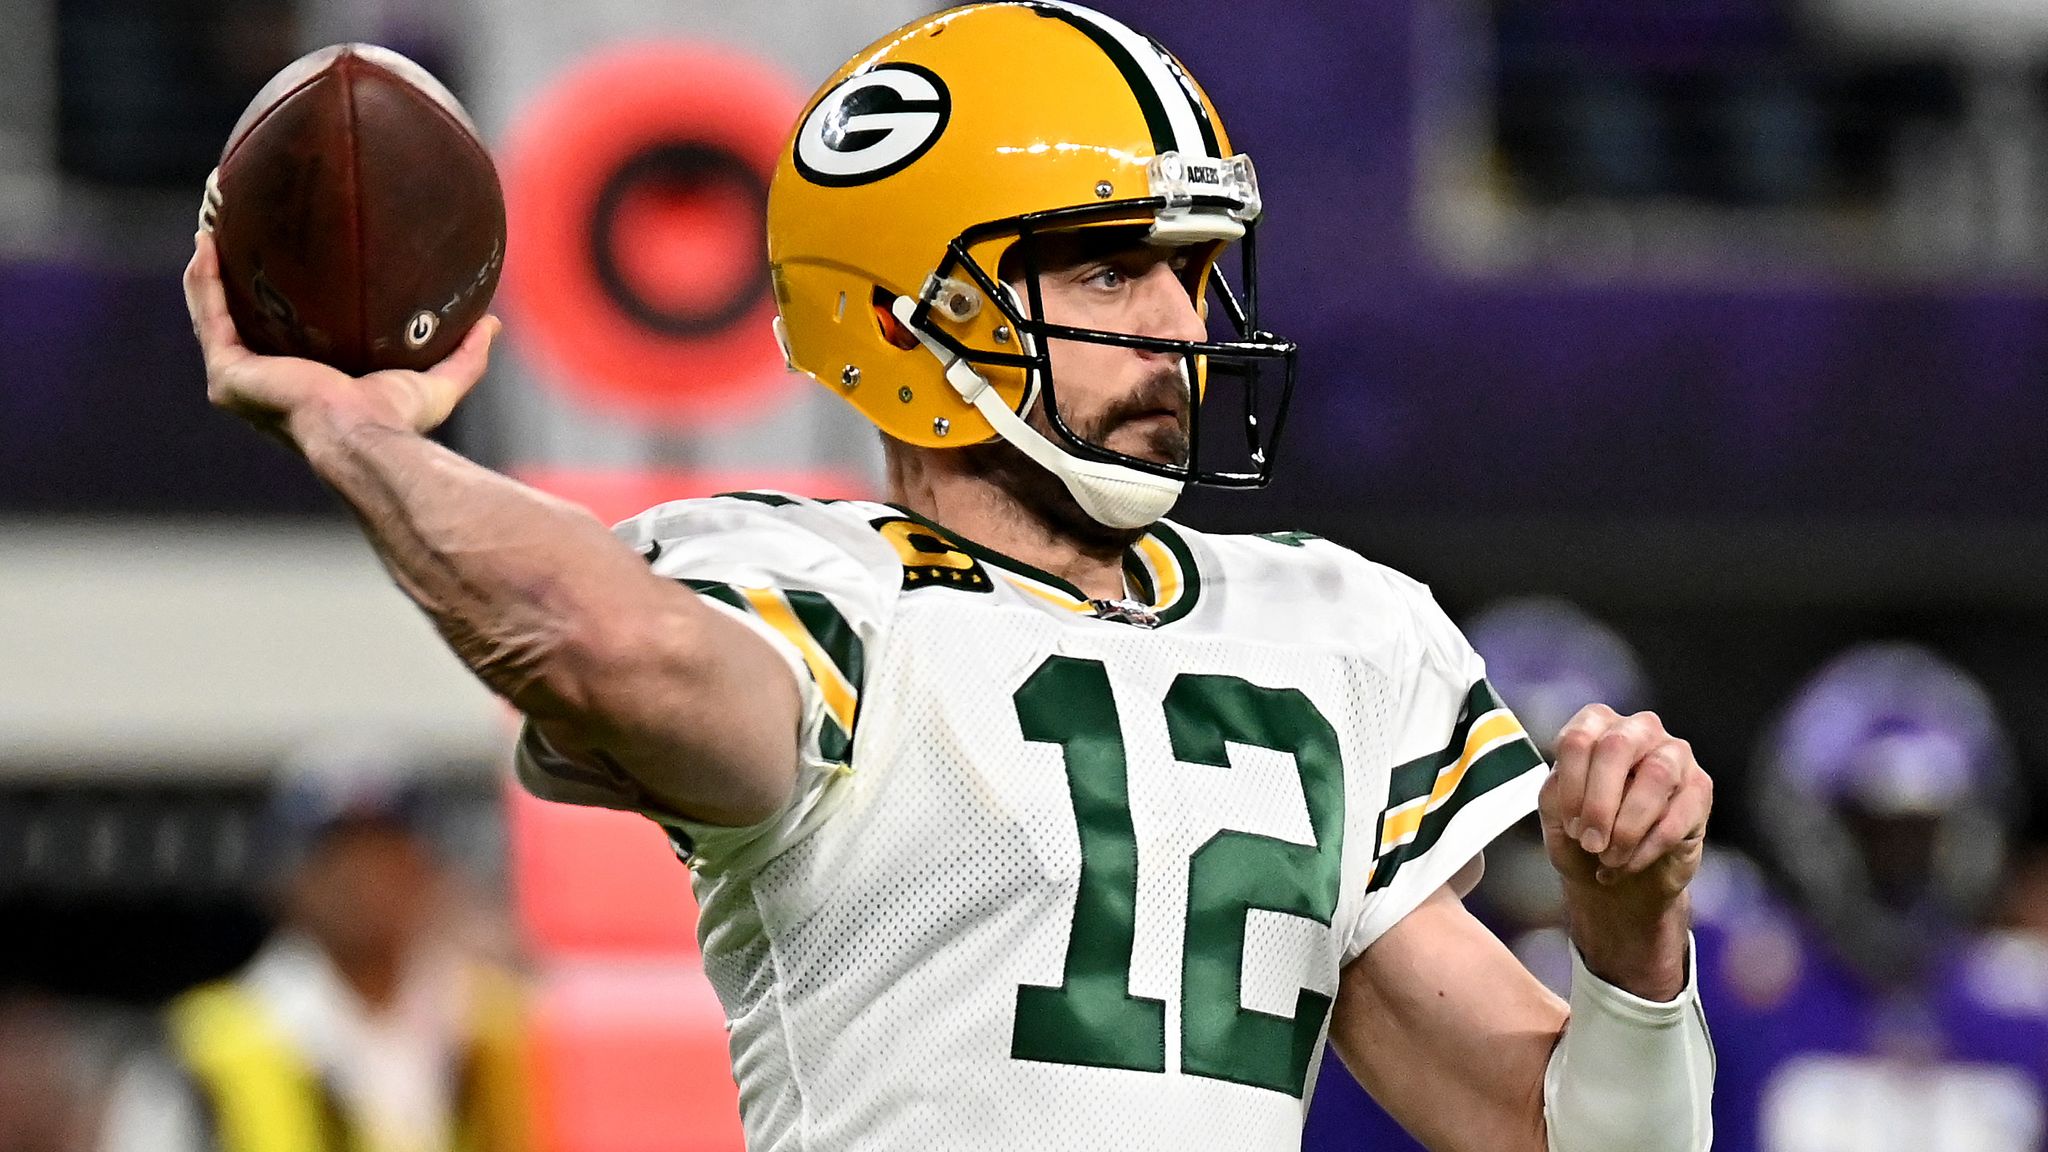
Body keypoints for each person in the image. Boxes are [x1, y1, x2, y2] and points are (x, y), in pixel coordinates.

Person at [184, 4, 1714, 1148]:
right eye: (1112, 267)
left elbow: (1567, 1139)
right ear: (907, 318)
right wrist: (353, 432)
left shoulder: (1336, 628)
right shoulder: (819, 592)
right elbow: (607, 657)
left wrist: (1630, 946)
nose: (1182, 327)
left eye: (1193, 269)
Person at [1700, 642, 2048, 1152]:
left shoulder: (2021, 1007)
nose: (1903, 862)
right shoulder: (1733, 983)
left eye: (1921, 834)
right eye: (1877, 832)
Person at [96, 746, 530, 1152]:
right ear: (287, 880)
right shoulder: (204, 1050)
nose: (367, 881)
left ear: (430, 869)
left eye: (389, 853)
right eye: (339, 857)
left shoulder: (505, 1028)